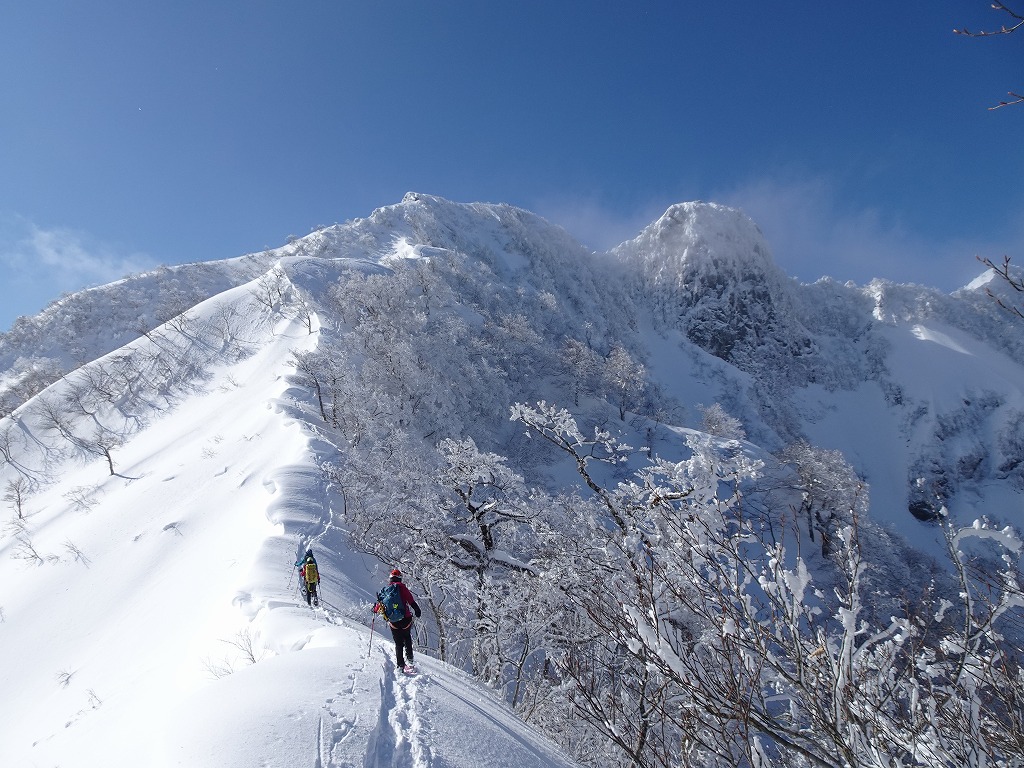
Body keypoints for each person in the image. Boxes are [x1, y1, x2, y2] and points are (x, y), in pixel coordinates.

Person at [374, 568, 422, 670]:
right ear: (400, 578)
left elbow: (379, 605)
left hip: (393, 621)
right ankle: (410, 660)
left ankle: (400, 665)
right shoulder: (402, 588)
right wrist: (417, 610)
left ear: (390, 578)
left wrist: (374, 609)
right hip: (405, 619)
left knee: (398, 643)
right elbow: (411, 601)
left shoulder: (386, 590)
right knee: (407, 637)